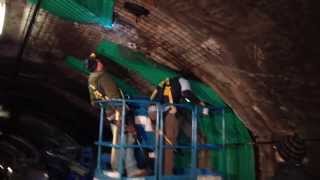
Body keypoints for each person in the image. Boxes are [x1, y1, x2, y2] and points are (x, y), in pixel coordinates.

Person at [85, 53, 146, 177]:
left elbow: (94, 102)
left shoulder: (91, 79)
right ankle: (116, 170)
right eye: (98, 61)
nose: (101, 62)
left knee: (126, 140)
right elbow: (115, 98)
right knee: (120, 142)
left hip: (110, 114)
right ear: (96, 65)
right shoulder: (103, 77)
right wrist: (125, 117)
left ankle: (131, 169)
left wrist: (107, 109)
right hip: (118, 113)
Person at [148, 76, 208, 174]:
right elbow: (186, 94)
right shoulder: (183, 80)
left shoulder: (165, 82)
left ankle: (160, 172)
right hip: (165, 112)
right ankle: (167, 174)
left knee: (163, 143)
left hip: (153, 113)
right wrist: (200, 103)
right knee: (169, 144)